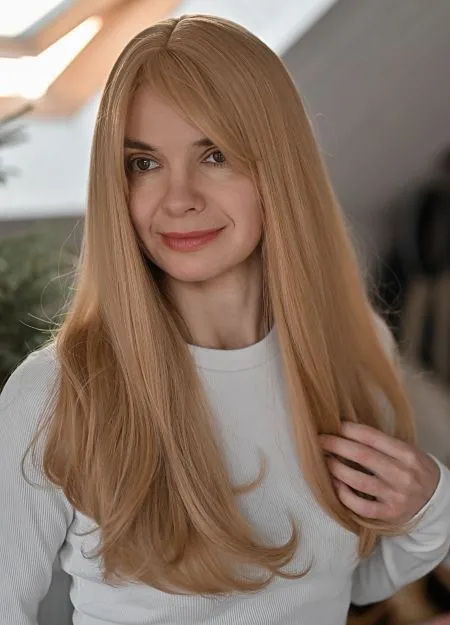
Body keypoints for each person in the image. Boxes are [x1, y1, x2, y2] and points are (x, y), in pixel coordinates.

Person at [0, 14, 449, 625]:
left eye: (214, 155)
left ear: (278, 168)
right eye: (144, 163)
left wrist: (430, 509)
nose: (178, 198)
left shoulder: (351, 349)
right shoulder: (54, 393)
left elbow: (345, 581)